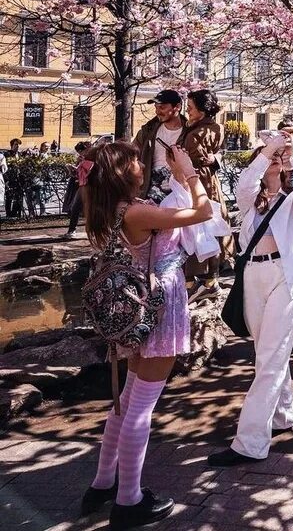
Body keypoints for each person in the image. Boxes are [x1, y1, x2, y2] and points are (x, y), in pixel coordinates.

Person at [80, 138, 211, 529]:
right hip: (159, 306)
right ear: (123, 173)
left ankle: (103, 484)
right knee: (142, 406)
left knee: (126, 398)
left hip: (136, 308)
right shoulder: (137, 212)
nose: (141, 165)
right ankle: (129, 500)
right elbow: (202, 212)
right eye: (135, 161)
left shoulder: (108, 211)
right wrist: (188, 170)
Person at [208, 123, 293, 467]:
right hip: (252, 274)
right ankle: (283, 414)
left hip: (284, 275)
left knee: (269, 356)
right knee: (267, 349)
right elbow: (244, 181)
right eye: (270, 157)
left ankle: (251, 442)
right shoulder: (249, 199)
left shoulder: (292, 199)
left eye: (279, 158)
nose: (275, 160)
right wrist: (268, 150)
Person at [179, 90, 226, 302]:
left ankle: (200, 282)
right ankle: (207, 280)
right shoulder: (202, 127)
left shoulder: (200, 131)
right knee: (208, 228)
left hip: (198, 183)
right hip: (205, 183)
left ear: (202, 108)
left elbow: (191, 157)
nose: (187, 110)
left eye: (190, 107)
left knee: (198, 228)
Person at [133, 91, 187, 204]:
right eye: (156, 107)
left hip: (179, 189)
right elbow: (131, 153)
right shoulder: (147, 131)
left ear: (177, 107)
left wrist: (214, 159)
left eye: (162, 107)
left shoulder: (190, 132)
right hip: (150, 188)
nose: (157, 112)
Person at [62, 140, 91, 238]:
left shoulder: (92, 158)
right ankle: (72, 230)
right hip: (82, 185)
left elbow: (90, 171)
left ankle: (98, 230)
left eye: (81, 151)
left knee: (91, 209)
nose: (80, 154)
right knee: (75, 207)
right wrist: (73, 169)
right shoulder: (81, 159)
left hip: (89, 185)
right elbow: (78, 172)